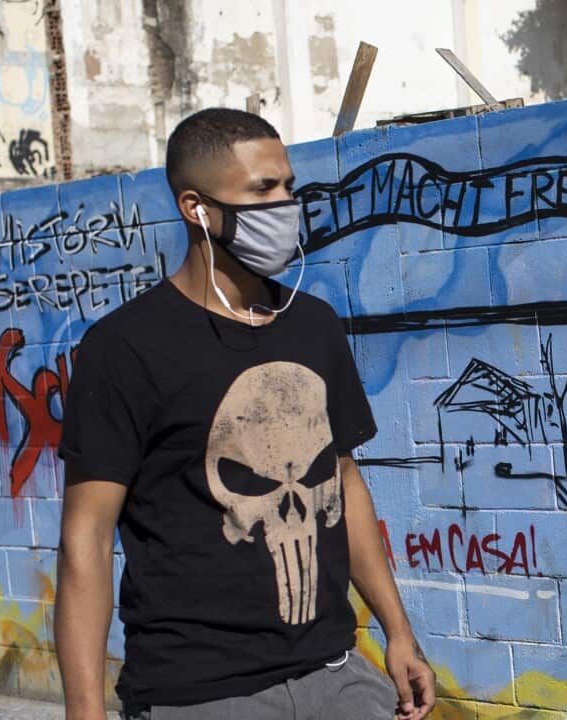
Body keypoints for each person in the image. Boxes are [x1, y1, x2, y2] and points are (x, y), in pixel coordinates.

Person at [54, 108, 437, 720]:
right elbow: (87, 539)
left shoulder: (312, 325)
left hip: (337, 674)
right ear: (196, 208)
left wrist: (398, 631)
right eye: (263, 190)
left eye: (288, 186)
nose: (286, 205)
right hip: (201, 694)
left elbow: (344, 481)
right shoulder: (124, 348)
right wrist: (83, 711)